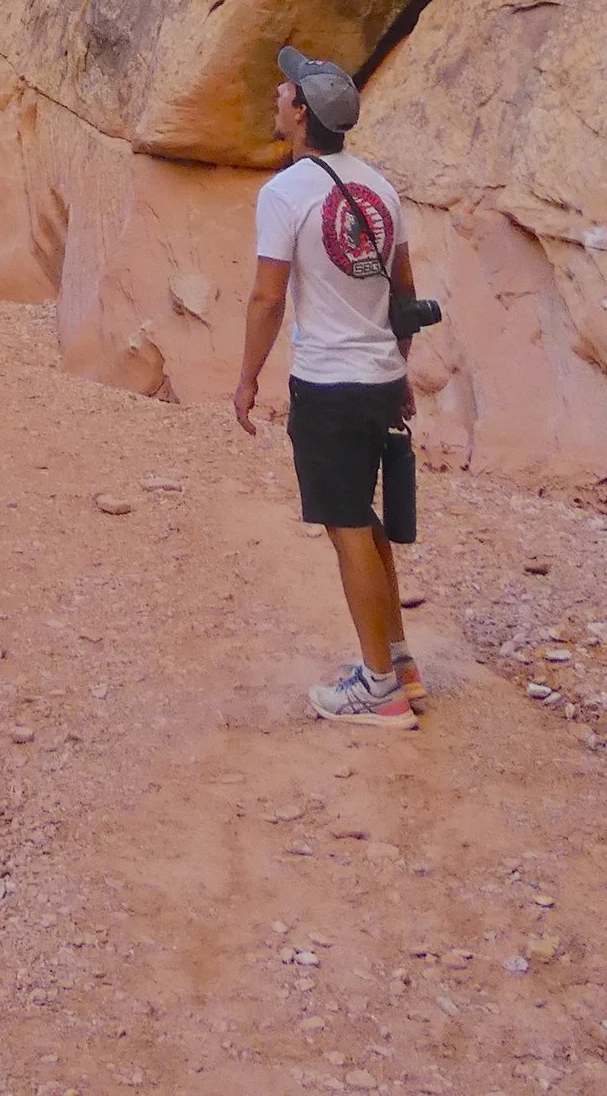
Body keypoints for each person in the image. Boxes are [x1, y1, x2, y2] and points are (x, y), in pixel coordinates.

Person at [232, 43, 425, 728]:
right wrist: (397, 369)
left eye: (286, 91)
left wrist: (247, 377)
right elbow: (405, 296)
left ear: (303, 114)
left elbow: (267, 297)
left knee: (346, 527)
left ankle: (379, 688)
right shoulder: (382, 188)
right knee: (365, 521)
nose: (277, 95)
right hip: (378, 377)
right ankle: (397, 659)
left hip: (328, 383)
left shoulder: (284, 193)